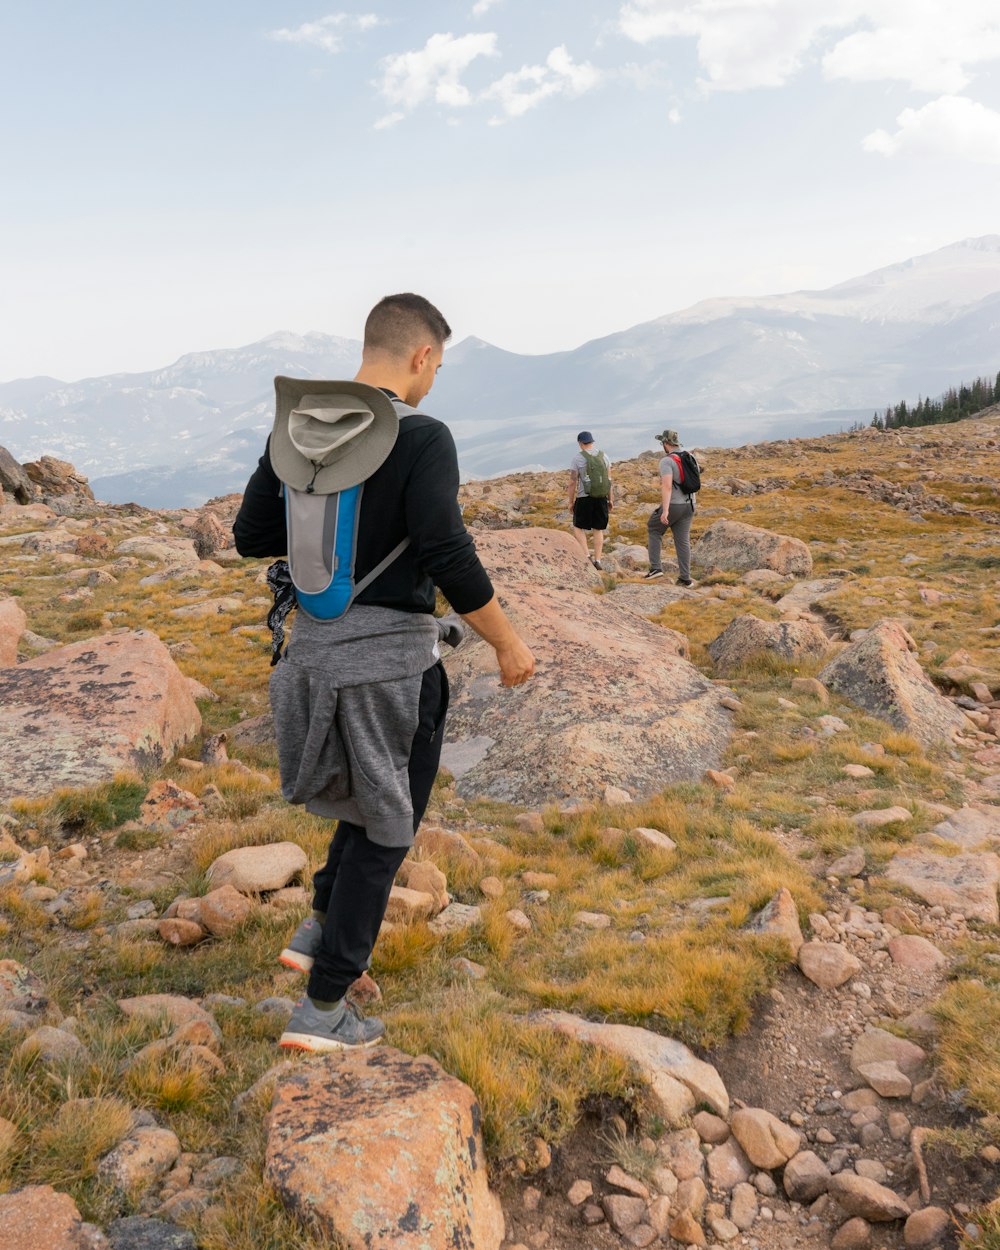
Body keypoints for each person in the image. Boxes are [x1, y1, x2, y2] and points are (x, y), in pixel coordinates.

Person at [232, 293, 535, 1052]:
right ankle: (326, 1005)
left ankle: (315, 933)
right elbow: (446, 552)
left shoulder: (298, 426)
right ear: (422, 356)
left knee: (361, 807)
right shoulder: (423, 435)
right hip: (390, 671)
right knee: (388, 828)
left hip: (311, 659)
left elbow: (250, 536)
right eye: (438, 366)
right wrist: (505, 641)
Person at [644, 428, 697, 586]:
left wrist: (665, 510)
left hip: (674, 505)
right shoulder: (690, 456)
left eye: (662, 443)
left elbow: (667, 486)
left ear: (666, 443)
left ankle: (655, 568)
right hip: (690, 505)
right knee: (682, 541)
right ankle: (685, 578)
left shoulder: (667, 461)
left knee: (654, 528)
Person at [568, 430, 613, 570]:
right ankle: (598, 560)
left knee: (578, 526)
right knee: (598, 529)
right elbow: (609, 480)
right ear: (592, 442)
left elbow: (572, 482)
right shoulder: (604, 456)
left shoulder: (578, 458)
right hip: (601, 497)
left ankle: (587, 556)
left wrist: (570, 502)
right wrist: (611, 499)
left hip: (584, 497)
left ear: (580, 443)